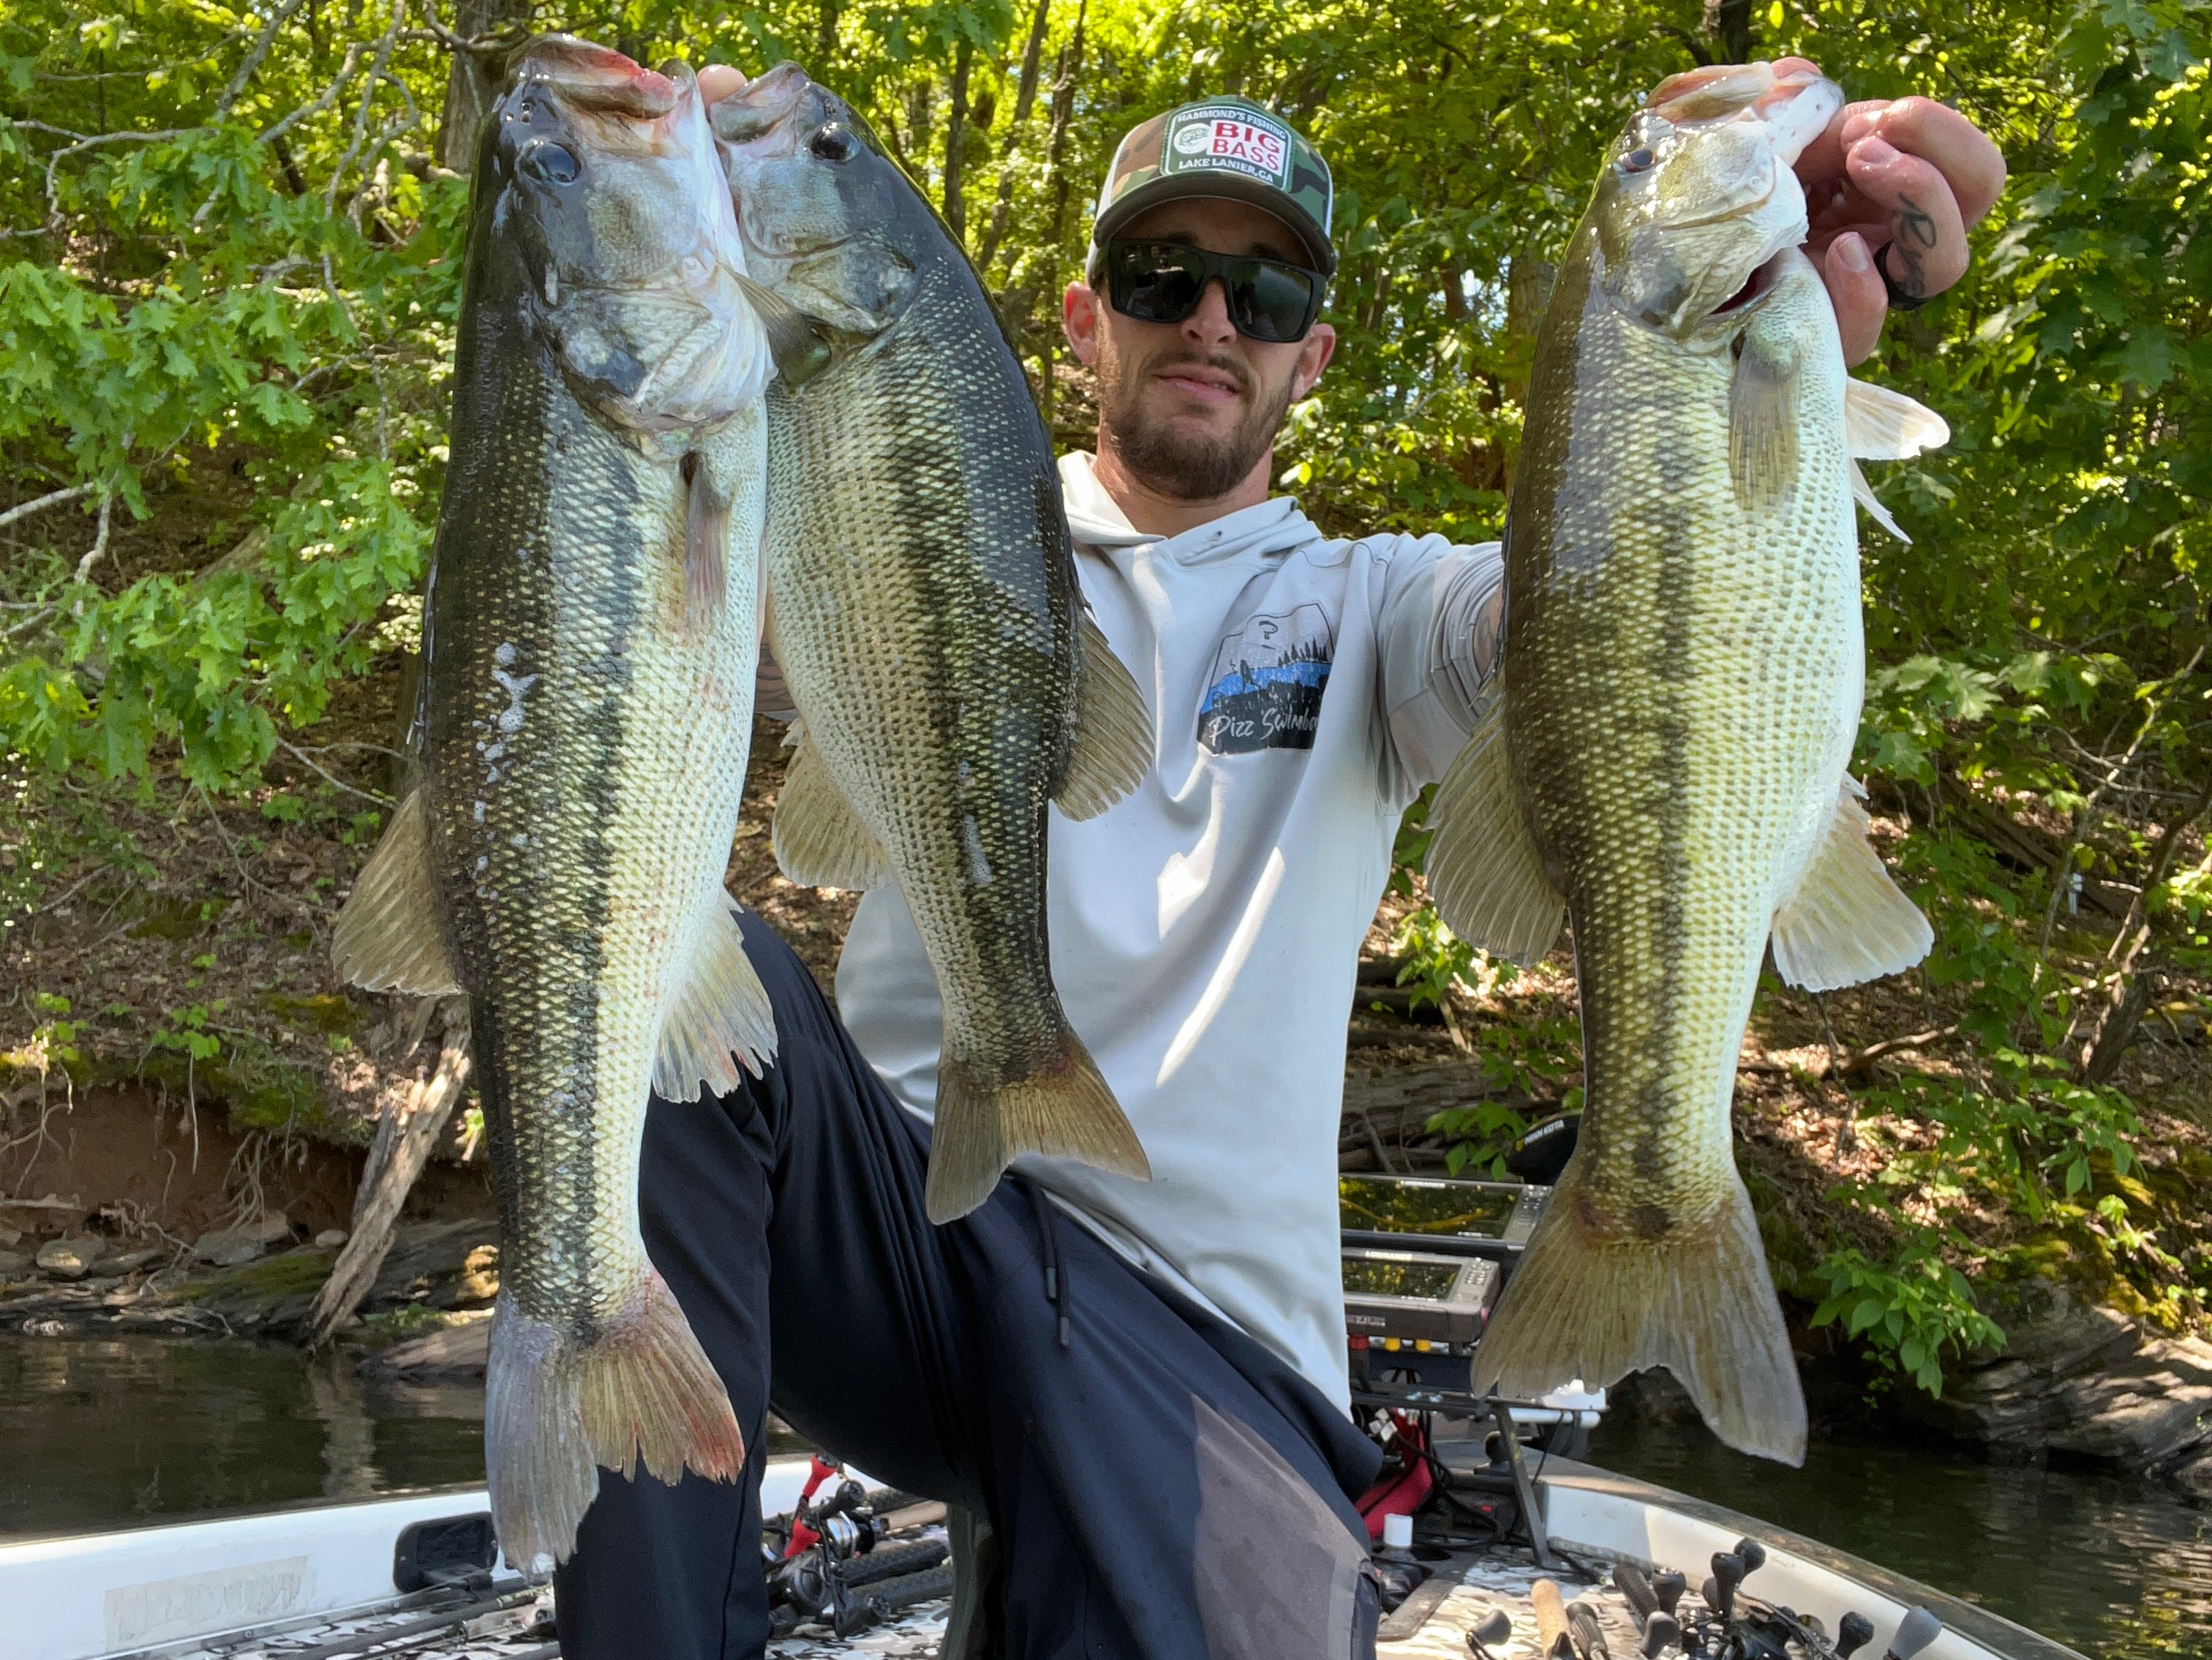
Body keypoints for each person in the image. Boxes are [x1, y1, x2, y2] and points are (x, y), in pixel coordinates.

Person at [551, 60, 2006, 1660]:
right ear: (1078, 314)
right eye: (1164, 276)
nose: (1212, 320)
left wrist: (1783, 354)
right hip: (905, 1236)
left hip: (1208, 1336)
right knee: (666, 990)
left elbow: (1614, 606)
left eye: (1265, 288)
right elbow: (644, 606)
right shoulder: (888, 513)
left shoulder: (1385, 611)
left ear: (1312, 350)